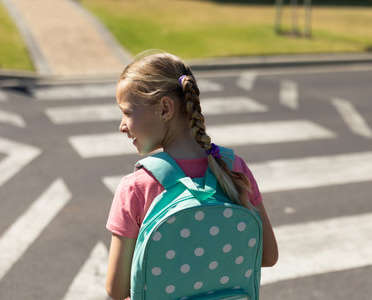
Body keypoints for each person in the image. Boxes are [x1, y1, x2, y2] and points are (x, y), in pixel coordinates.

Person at [105, 52, 278, 300]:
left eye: (127, 112)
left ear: (165, 108)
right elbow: (268, 256)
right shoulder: (234, 168)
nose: (122, 125)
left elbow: (116, 289)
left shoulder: (137, 187)